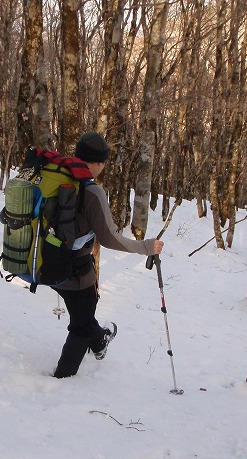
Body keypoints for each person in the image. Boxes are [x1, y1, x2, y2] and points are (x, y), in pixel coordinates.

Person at [52, 131, 164, 378]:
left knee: (82, 311)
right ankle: (62, 379)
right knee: (81, 323)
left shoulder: (56, 177)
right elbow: (109, 238)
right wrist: (146, 246)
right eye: (103, 162)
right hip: (75, 269)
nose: (103, 167)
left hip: (47, 262)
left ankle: (100, 341)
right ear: (97, 162)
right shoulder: (92, 192)